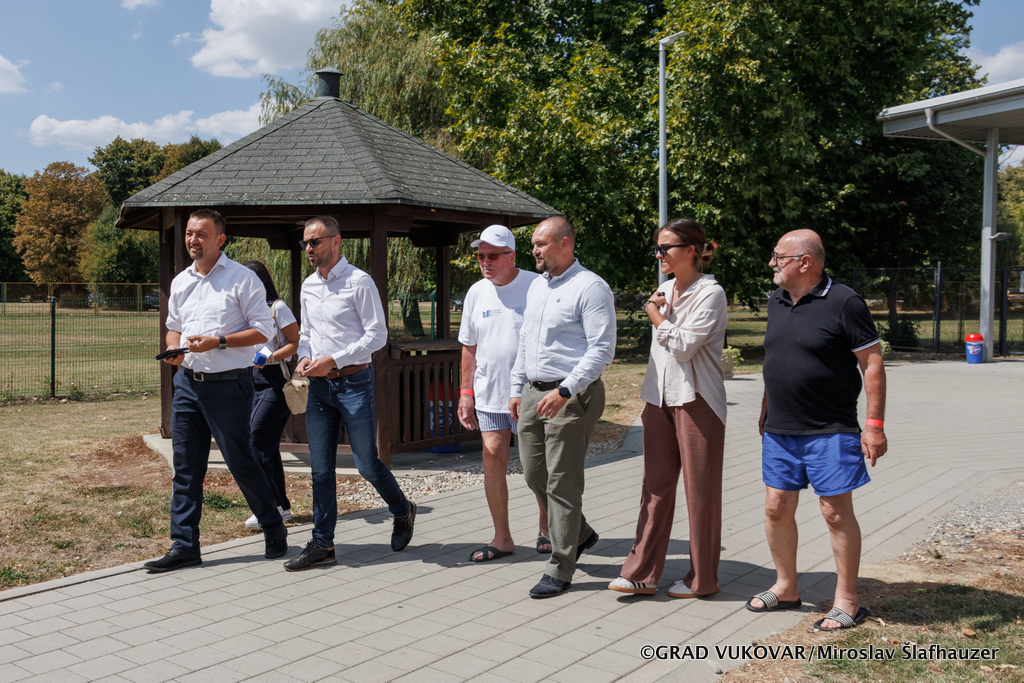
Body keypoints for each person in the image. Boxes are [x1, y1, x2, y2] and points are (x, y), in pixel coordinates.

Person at [746, 229, 887, 632]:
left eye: (779, 257)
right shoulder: (776, 300)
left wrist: (874, 426)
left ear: (804, 262)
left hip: (831, 428)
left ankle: (848, 600)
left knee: (835, 512)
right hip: (780, 428)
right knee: (776, 507)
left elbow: (872, 363)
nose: (772, 263)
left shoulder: (845, 302)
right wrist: (766, 408)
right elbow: (779, 357)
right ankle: (786, 586)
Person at [145, 209, 287, 572]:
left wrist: (218, 341)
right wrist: (174, 348)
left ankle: (273, 526)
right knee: (186, 467)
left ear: (220, 240)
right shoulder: (181, 282)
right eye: (189, 234)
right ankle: (184, 545)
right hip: (187, 384)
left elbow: (264, 330)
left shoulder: (243, 279)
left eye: (201, 234)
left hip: (228, 386)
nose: (193, 240)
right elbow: (174, 327)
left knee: (241, 462)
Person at [283, 216, 416, 571]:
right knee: (320, 469)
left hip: (354, 384)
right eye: (305, 243)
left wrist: (334, 359)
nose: (309, 248)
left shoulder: (359, 282)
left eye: (315, 241)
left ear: (336, 241)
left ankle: (402, 509)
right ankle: (323, 544)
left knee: (366, 464)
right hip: (319, 387)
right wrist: (305, 356)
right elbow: (307, 333)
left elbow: (377, 336)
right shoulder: (309, 285)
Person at [608, 218, 728, 598]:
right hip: (658, 398)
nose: (659, 255)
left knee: (700, 493)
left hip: (697, 400)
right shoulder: (664, 289)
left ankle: (702, 579)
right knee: (655, 487)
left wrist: (654, 313)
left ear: (691, 250)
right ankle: (641, 573)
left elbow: (683, 346)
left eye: (665, 248)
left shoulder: (711, 294)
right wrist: (657, 308)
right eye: (657, 248)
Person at [509, 216, 616, 598]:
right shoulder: (539, 286)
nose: (534, 251)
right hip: (533, 392)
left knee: (562, 481)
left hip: (571, 395)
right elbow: (526, 340)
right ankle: (580, 532)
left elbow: (602, 349)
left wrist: (566, 390)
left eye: (541, 243)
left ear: (565, 243)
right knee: (534, 474)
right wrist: (517, 387)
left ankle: (560, 567)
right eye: (533, 245)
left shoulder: (590, 287)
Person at [457, 225, 550, 562]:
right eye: (481, 256)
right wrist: (466, 392)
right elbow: (469, 347)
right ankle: (502, 537)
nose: (486, 261)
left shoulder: (537, 286)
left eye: (493, 255)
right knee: (492, 458)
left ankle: (547, 528)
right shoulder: (476, 292)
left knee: (536, 464)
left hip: (530, 393)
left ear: (512, 256)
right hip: (489, 393)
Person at [242, 261, 300, 529]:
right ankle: (281, 507)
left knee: (255, 442)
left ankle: (269, 508)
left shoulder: (278, 307)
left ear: (259, 281)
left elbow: (295, 342)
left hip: (275, 381)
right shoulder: (247, 309)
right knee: (268, 447)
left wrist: (270, 357)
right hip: (253, 380)